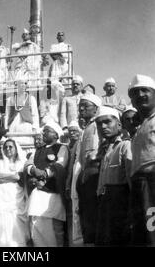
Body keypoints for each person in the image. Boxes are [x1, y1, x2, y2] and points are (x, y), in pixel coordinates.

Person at [25, 121, 69, 247]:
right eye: (43, 131)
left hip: (53, 195)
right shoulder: (38, 150)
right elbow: (28, 164)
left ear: (56, 135)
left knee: (54, 229)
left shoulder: (62, 147)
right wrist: (33, 170)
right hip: (37, 195)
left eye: (47, 131)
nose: (43, 133)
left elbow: (60, 165)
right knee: (36, 227)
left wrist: (44, 174)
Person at [94, 106, 132, 246]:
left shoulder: (125, 146)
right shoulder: (107, 149)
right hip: (105, 204)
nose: (103, 126)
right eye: (99, 124)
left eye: (107, 122)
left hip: (119, 206)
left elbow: (130, 180)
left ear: (119, 124)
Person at [0, 139, 29, 247]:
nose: (8, 149)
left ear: (16, 149)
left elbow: (20, 177)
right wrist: (12, 177)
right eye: (5, 147)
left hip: (16, 199)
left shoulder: (21, 163)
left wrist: (2, 178)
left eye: (10, 147)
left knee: (16, 227)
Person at [128, 74, 155, 246]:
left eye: (145, 90)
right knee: (143, 235)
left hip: (153, 182)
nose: (140, 95)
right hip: (140, 185)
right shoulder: (140, 127)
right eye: (135, 93)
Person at [76, 93, 101, 246]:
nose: (82, 108)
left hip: (96, 173)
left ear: (96, 108)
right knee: (87, 215)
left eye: (86, 105)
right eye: (80, 106)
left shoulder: (98, 124)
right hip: (86, 173)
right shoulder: (87, 128)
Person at [4, 80, 39, 147]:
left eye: (24, 83)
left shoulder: (31, 98)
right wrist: (6, 128)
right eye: (20, 83)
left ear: (26, 85)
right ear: (17, 85)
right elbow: (7, 114)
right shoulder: (10, 99)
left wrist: (35, 127)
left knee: (27, 144)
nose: (22, 85)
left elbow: (35, 114)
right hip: (13, 126)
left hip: (26, 126)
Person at [65, 121, 82, 246]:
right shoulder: (65, 146)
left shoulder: (80, 144)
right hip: (67, 184)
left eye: (75, 130)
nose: (72, 133)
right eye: (70, 131)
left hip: (76, 182)